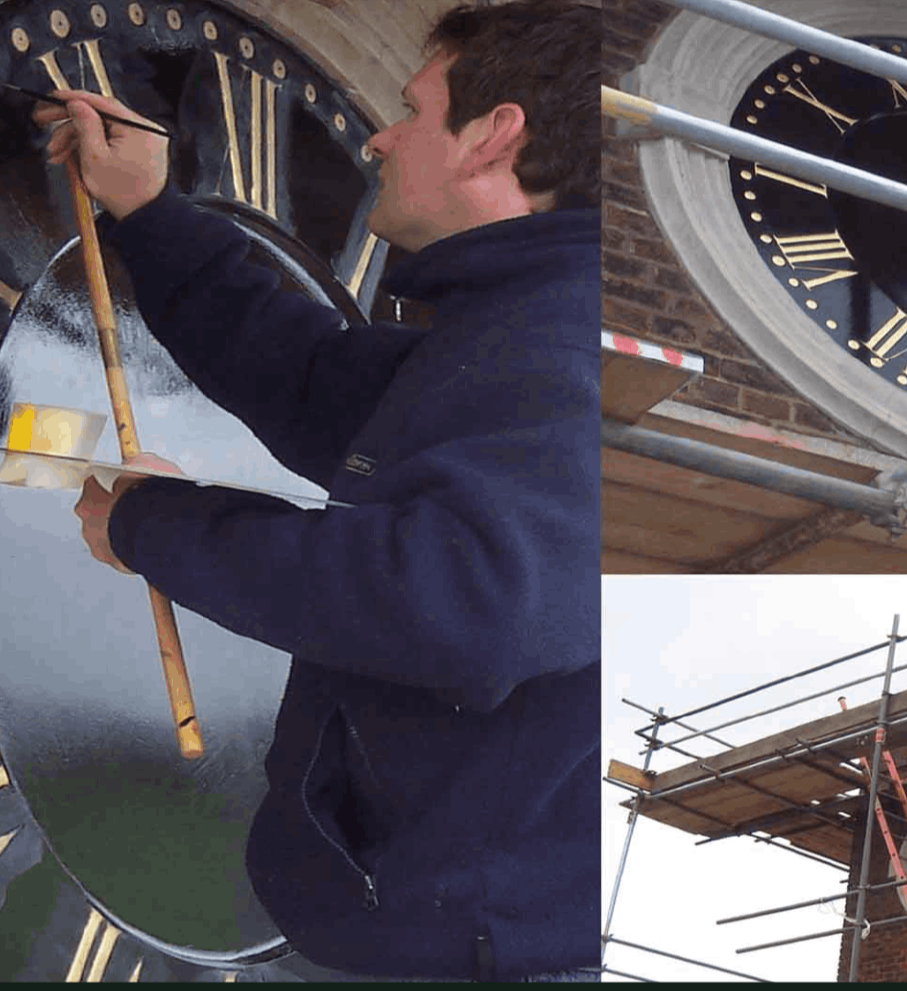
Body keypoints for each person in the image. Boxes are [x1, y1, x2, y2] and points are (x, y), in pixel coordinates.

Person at [38, 0, 600, 981]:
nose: (381, 137)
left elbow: (457, 603)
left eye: (414, 111)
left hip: (457, 957)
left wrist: (151, 525)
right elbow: (307, 377)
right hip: (425, 930)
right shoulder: (508, 336)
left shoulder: (557, 348)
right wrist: (150, 212)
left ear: (493, 136)